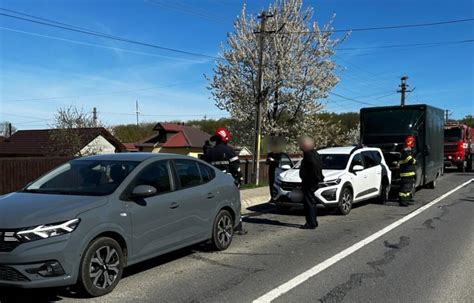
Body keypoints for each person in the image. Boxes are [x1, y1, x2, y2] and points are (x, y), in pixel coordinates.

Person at [205, 127, 246, 234]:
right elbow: (236, 167)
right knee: (234, 203)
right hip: (228, 182)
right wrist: (240, 178)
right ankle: (238, 227)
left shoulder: (209, 152)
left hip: (213, 183)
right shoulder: (229, 151)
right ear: (225, 139)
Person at [298, 136, 323, 229]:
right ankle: (313, 221)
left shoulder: (309, 155)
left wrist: (311, 177)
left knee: (309, 203)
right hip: (312, 181)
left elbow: (314, 166)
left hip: (309, 182)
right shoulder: (315, 154)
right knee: (311, 202)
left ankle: (311, 223)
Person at [398, 135, 417, 207]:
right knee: (404, 188)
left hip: (410, 173)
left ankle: (407, 199)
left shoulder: (408, 152)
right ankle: (403, 201)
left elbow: (412, 160)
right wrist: (414, 160)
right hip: (406, 173)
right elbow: (410, 160)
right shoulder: (405, 152)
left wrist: (414, 160)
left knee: (408, 188)